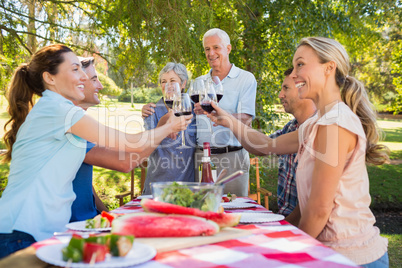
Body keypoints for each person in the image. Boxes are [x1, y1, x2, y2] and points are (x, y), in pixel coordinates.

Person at [207, 37, 389, 267]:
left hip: (349, 256)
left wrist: (286, 257)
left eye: (300, 65)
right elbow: (266, 146)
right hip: (327, 251)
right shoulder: (318, 123)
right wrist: (228, 120)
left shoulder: (334, 124)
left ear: (329, 67)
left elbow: (318, 211)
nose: (293, 74)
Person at [0, 45, 191, 258]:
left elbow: (127, 158)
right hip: (21, 231)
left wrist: (162, 127)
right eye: (75, 69)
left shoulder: (58, 112)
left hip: (35, 231)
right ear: (50, 78)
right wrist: (168, 127)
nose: (83, 76)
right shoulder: (58, 110)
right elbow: (130, 143)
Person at [194, 28, 256, 197]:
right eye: (207, 49)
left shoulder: (245, 79)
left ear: (228, 49)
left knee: (235, 208)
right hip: (201, 157)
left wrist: (216, 112)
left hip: (232, 157)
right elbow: (187, 116)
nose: (211, 53)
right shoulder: (198, 82)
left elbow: (246, 119)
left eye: (216, 47)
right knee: (200, 208)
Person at [142, 62, 196, 195]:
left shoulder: (194, 109)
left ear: (183, 84)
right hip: (158, 188)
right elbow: (146, 148)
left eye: (173, 81)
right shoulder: (151, 111)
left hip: (187, 188)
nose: (168, 86)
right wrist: (168, 117)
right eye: (163, 81)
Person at [269, 67, 316, 217]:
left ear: (304, 90)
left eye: (286, 88)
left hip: (304, 226)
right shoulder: (290, 127)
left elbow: (314, 205)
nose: (280, 95)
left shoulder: (320, 130)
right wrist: (229, 122)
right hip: (284, 217)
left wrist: (283, 228)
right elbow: (261, 145)